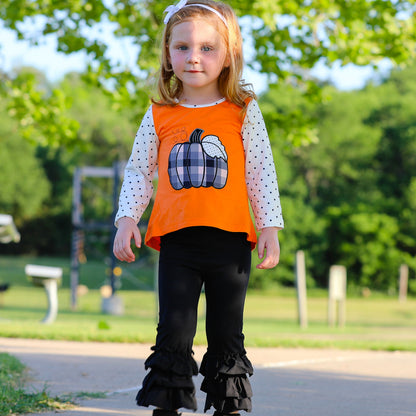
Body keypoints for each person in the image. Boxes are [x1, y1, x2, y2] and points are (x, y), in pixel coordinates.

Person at [113, 0, 284, 415]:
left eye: (208, 48)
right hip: (177, 242)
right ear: (168, 56)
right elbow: (139, 171)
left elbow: (261, 172)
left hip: (230, 245)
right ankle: (166, 408)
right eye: (182, 47)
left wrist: (269, 228)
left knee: (227, 331)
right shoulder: (160, 114)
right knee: (174, 327)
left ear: (228, 57)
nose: (194, 57)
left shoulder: (243, 111)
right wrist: (126, 219)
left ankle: (227, 409)